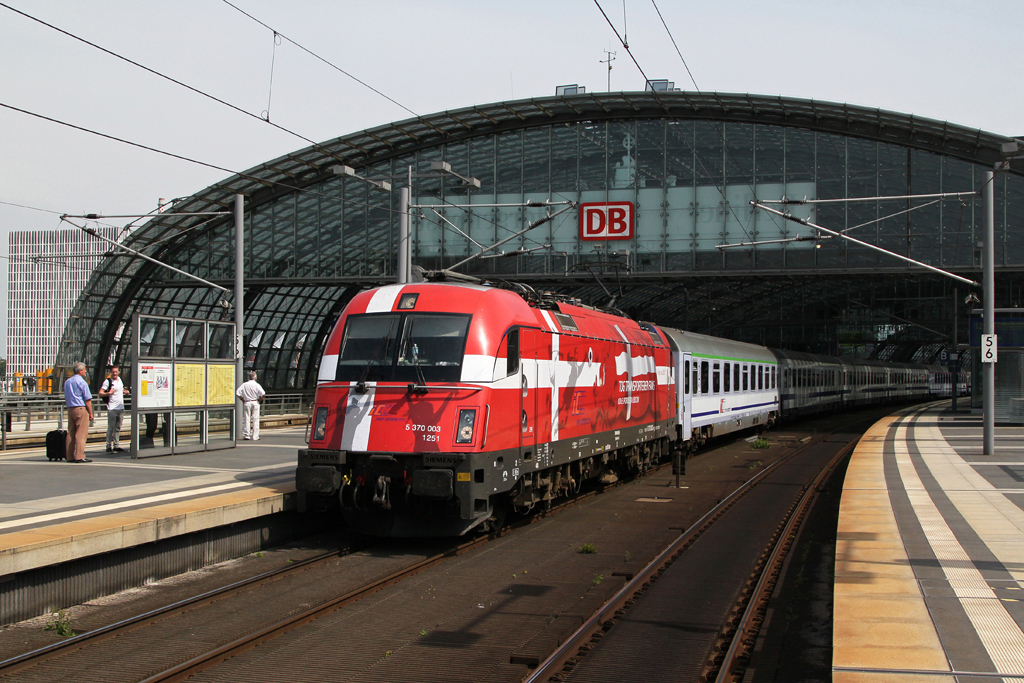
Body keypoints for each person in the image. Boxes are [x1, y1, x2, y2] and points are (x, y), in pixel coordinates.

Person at [64, 362, 94, 462]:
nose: (85, 371)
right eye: (84, 369)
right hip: (80, 408)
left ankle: (69, 456)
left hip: (70, 409)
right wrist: (90, 413)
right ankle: (80, 456)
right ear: (80, 371)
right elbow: (88, 400)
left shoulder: (67, 382)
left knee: (71, 433)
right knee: (81, 433)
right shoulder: (82, 382)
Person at [99, 364, 130, 452]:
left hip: (120, 407)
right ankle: (108, 446)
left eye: (116, 372)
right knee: (111, 428)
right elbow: (100, 393)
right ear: (110, 373)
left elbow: (121, 389)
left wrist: (125, 392)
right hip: (112, 408)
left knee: (118, 427)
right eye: (113, 372)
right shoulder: (107, 381)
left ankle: (116, 445)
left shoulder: (119, 380)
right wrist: (108, 393)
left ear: (119, 372)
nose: (115, 373)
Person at [235, 371, 265, 440]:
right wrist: (259, 399)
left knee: (246, 418)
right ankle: (255, 436)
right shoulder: (257, 385)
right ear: (255, 377)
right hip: (255, 402)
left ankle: (247, 435)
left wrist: (242, 399)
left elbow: (237, 393)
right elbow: (263, 394)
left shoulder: (244, 385)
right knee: (255, 419)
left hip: (247, 402)